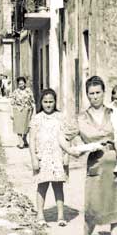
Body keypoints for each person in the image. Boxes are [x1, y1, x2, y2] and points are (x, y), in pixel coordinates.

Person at [65, 76, 117, 235]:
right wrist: (71, 151)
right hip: (96, 164)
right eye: (91, 93)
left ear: (104, 93)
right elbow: (63, 136)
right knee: (93, 207)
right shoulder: (80, 118)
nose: (95, 96)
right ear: (86, 95)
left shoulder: (115, 113)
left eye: (98, 93)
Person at [29, 89, 69, 226]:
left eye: (51, 102)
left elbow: (66, 138)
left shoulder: (60, 117)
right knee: (42, 186)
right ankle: (40, 214)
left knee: (58, 186)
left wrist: (66, 156)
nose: (48, 104)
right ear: (41, 102)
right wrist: (34, 158)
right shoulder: (36, 118)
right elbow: (32, 140)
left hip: (57, 155)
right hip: (42, 156)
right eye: (45, 102)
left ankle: (61, 215)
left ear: (55, 102)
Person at [10, 76, 35, 149]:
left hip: (27, 110)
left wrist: (34, 111)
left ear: (25, 83)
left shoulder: (28, 91)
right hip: (18, 110)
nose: (21, 85)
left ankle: (24, 138)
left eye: (22, 83)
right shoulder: (15, 92)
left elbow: (32, 101)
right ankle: (20, 141)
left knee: (26, 126)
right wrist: (11, 113)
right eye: (19, 84)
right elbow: (12, 102)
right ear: (18, 84)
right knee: (18, 126)